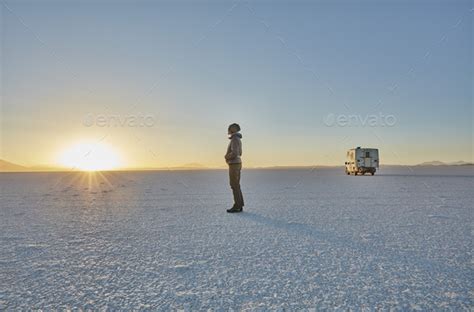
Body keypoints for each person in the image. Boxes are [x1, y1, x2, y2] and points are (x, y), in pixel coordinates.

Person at [225, 123, 244, 213]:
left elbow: (236, 153)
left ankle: (237, 206)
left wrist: (226, 156)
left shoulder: (235, 139)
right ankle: (239, 204)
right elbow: (240, 153)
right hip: (236, 163)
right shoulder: (236, 139)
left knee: (234, 185)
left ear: (232, 129)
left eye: (229, 129)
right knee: (236, 185)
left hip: (234, 164)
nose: (228, 131)